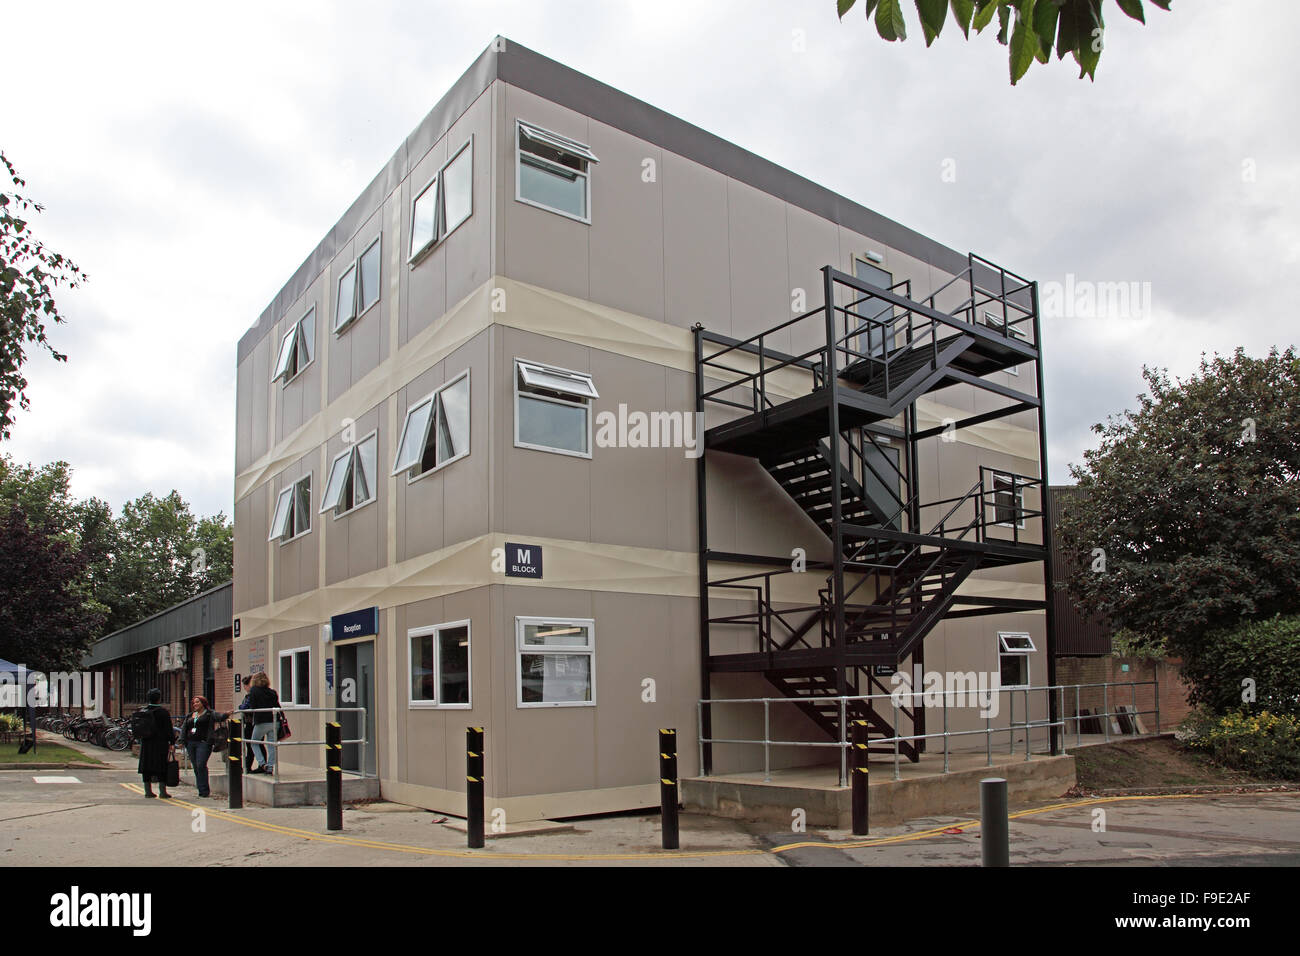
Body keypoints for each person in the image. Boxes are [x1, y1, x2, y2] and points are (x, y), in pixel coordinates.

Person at [180, 696, 229, 798]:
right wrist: (182, 740)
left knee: (201, 764)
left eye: (197, 702)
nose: (195, 704)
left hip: (204, 743)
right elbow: (184, 727)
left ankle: (204, 790)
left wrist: (227, 714)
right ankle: (201, 789)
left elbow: (220, 717)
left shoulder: (209, 714)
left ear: (203, 703)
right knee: (196, 767)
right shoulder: (190, 715)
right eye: (194, 703)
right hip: (191, 743)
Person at [136, 688, 176, 799]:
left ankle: (148, 791)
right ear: (159, 699)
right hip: (160, 743)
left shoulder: (143, 711)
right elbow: (169, 729)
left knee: (146, 765)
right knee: (161, 766)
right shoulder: (163, 712)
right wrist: (172, 742)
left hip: (146, 742)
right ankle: (162, 791)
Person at [246, 672, 281, 774]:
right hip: (274, 721)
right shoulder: (272, 692)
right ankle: (270, 767)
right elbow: (278, 706)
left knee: (254, 742)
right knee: (271, 745)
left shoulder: (254, 691)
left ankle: (262, 763)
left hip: (261, 721)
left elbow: (252, 706)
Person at [237, 676, 256, 772]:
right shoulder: (248, 696)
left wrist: (241, 707)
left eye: (245, 685)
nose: (244, 687)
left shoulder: (251, 695)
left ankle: (248, 766)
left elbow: (244, 707)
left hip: (251, 723)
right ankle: (248, 765)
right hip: (249, 722)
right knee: (252, 745)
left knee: (251, 745)